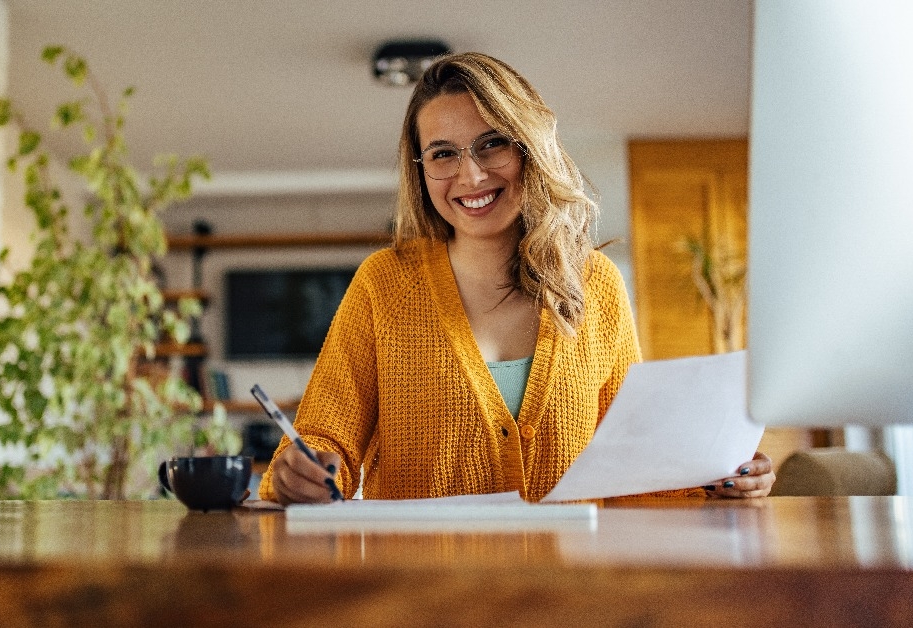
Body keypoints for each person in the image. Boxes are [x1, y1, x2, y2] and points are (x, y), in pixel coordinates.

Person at [258, 52, 774, 504]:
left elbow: (639, 466)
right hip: (421, 598)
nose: (472, 176)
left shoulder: (595, 286)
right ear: (421, 169)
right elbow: (324, 439)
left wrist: (720, 477)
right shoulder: (384, 284)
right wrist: (298, 474)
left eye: (491, 144)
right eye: (443, 153)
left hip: (569, 597)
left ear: (528, 147)